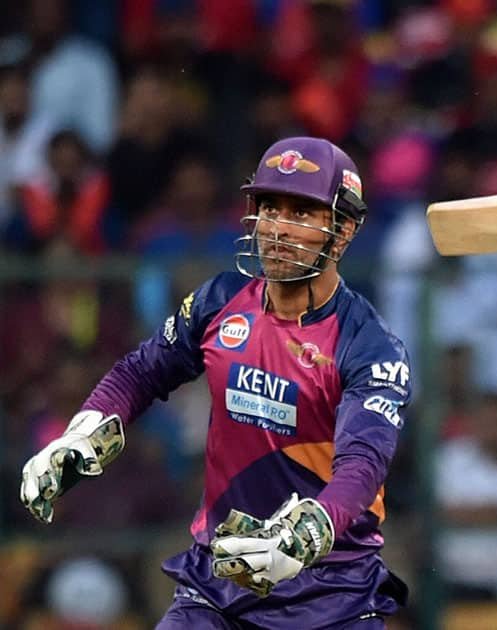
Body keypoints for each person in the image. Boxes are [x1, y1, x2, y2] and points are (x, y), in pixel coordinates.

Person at [19, 137, 411, 629]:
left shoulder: (370, 345)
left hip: (332, 598)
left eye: (301, 213)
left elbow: (362, 465)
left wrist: (307, 532)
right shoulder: (220, 300)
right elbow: (140, 372)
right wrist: (82, 430)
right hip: (218, 585)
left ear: (344, 230)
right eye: (269, 207)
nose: (277, 229)